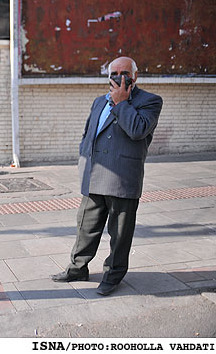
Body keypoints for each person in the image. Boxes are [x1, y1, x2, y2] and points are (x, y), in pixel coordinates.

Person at [50, 56, 163, 296]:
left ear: (136, 75)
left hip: (123, 179)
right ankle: (77, 268)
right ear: (108, 76)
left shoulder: (150, 101)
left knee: (119, 234)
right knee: (85, 227)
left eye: (125, 73)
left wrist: (121, 103)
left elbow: (138, 130)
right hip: (94, 176)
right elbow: (88, 133)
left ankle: (113, 275)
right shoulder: (99, 101)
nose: (120, 77)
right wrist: (83, 158)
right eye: (115, 73)